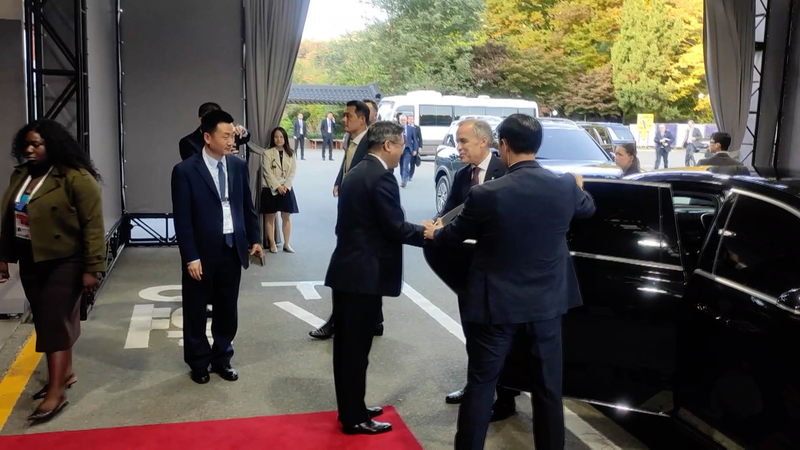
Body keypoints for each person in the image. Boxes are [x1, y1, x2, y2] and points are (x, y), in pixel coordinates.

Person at [424, 114, 596, 449]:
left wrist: (435, 231)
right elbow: (587, 208)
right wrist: (577, 184)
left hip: (496, 305)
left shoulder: (487, 194)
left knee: (481, 385)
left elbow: (453, 236)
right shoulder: (563, 186)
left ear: (503, 146)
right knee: (548, 390)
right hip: (547, 306)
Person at [0, 119, 105, 422]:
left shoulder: (76, 177)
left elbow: (93, 227)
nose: (30, 150)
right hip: (32, 258)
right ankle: (66, 374)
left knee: (56, 323)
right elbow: (9, 218)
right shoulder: (20, 176)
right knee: (46, 322)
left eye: (37, 145)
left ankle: (56, 392)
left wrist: (92, 269)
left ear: (53, 145)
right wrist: (4, 257)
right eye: (27, 144)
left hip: (65, 260)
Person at [324, 121, 425, 435]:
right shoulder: (381, 177)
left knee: (349, 349)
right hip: (363, 276)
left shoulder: (356, 172)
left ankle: (353, 406)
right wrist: (429, 233)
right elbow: (394, 227)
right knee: (355, 351)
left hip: (348, 270)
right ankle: (354, 418)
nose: (403, 150)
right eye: (401, 144)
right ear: (388, 145)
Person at [435, 119, 520, 422]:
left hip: (500, 273)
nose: (458, 147)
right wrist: (434, 227)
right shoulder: (461, 177)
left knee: (501, 339)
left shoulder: (507, 172)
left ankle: (506, 397)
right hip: (467, 273)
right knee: (472, 334)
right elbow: (446, 216)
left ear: (484, 142)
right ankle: (475, 387)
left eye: (463, 141)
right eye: (458, 142)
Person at [171, 109, 263, 384]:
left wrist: (255, 239)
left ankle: (222, 358)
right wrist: (190, 256)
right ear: (208, 137)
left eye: (232, 135)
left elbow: (246, 206)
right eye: (225, 135)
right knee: (196, 310)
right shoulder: (185, 171)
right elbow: (183, 219)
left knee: (227, 309)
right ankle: (198, 362)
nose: (230, 140)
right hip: (201, 252)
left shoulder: (236, 166)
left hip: (232, 247)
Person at [311, 100, 384, 340]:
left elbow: (376, 177)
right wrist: (338, 181)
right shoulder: (350, 141)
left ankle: (336, 323)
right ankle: (375, 319)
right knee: (362, 270)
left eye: (348, 115)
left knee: (345, 271)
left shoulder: (372, 143)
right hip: (349, 215)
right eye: (343, 115)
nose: (343, 119)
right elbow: (348, 164)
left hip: (362, 220)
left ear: (362, 119)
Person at [261, 127, 299, 253]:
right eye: (276, 137)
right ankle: (272, 243)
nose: (279, 139)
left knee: (286, 216)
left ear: (285, 138)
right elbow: (267, 172)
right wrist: (277, 186)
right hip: (270, 187)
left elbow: (292, 172)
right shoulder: (267, 153)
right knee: (270, 217)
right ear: (273, 138)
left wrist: (286, 186)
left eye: (281, 137)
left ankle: (287, 244)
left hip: (286, 188)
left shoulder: (291, 153)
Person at [179, 102, 249, 161]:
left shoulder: (229, 134)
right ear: (200, 120)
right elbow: (194, 166)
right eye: (211, 120)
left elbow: (246, 138)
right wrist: (223, 155)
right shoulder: (188, 142)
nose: (229, 142)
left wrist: (242, 131)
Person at [398, 115, 419, 188]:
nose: (403, 121)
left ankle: (404, 181)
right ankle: (403, 177)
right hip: (399, 149)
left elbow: (415, 140)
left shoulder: (411, 129)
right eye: (401, 120)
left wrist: (415, 149)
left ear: (406, 120)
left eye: (404, 120)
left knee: (405, 165)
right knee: (401, 165)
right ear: (399, 120)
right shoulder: (397, 128)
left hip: (408, 149)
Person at [407, 115, 423, 181]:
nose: (411, 120)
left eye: (412, 119)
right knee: (405, 161)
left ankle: (410, 175)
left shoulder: (417, 128)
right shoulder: (405, 127)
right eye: (409, 119)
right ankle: (406, 173)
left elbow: (420, 138)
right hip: (407, 147)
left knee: (412, 162)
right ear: (407, 120)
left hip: (414, 147)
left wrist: (420, 147)